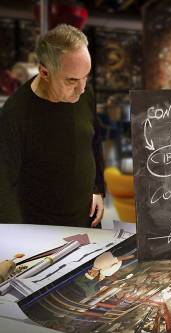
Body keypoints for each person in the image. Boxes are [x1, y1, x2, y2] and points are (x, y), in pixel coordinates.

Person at [0, 24, 105, 227]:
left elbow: (93, 142)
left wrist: (97, 188)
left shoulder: (85, 93)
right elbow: (4, 188)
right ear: (45, 73)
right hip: (42, 229)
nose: (81, 89)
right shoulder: (15, 114)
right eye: (72, 80)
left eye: (86, 77)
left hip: (87, 220)